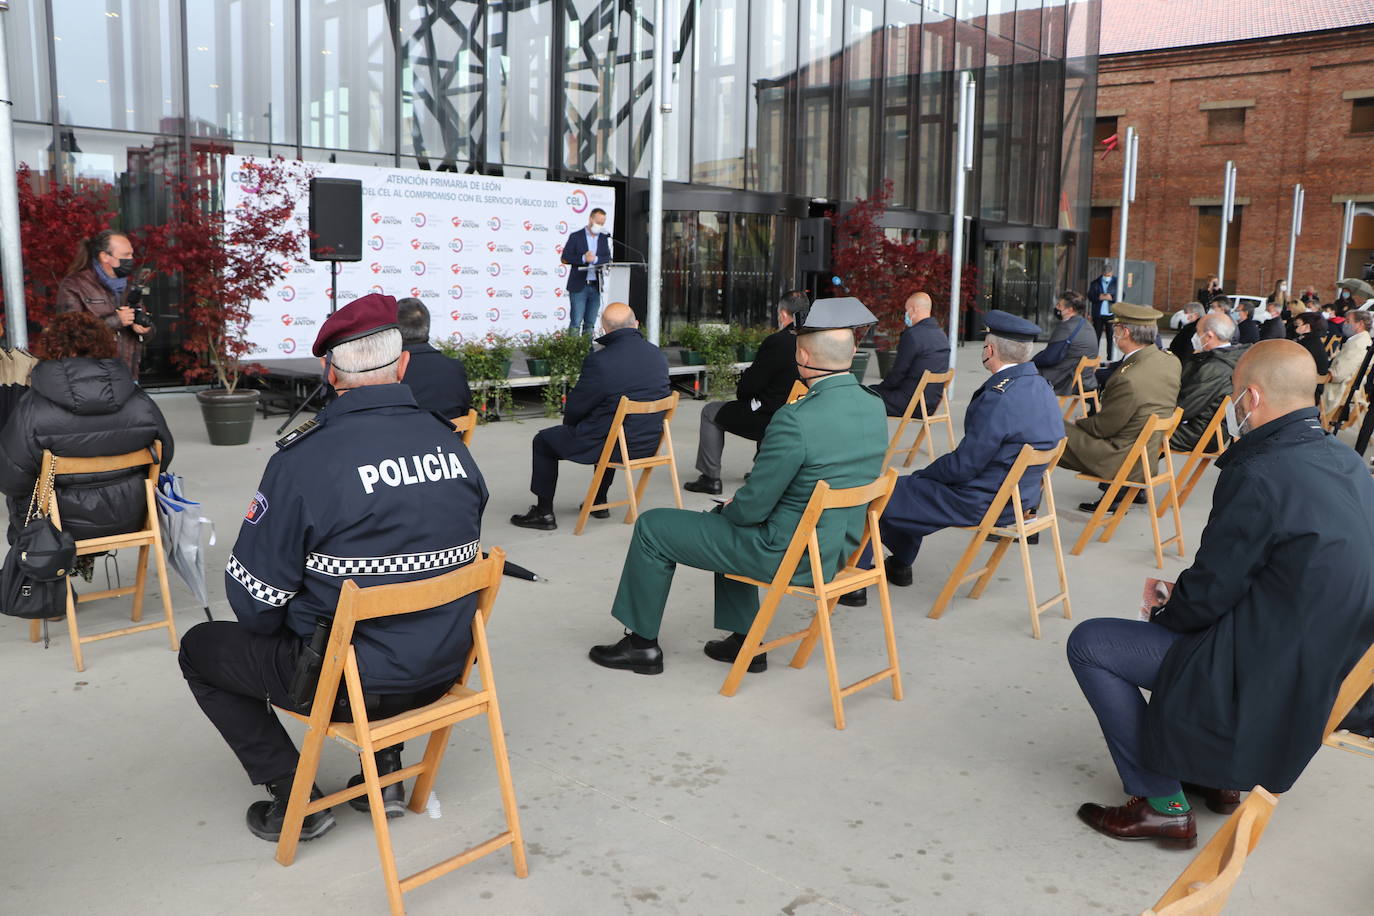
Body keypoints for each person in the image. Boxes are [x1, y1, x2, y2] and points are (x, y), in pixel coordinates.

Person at [179, 293, 488, 843]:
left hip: (348, 685)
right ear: (403, 364)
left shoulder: (302, 463)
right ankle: (387, 774)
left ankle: (295, 793)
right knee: (399, 604)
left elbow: (253, 604)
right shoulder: (452, 445)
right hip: (445, 670)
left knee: (201, 648)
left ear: (330, 372)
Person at [1068, 340, 1374, 849]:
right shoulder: (1348, 464)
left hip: (1268, 671)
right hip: (1331, 660)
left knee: (1092, 644)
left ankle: (1160, 804)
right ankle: (1218, 777)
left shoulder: (1259, 472)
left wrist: (1165, 610)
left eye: (1233, 395)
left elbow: (1209, 594)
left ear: (1250, 398)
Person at [587, 298, 887, 676]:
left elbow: (753, 508)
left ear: (804, 356)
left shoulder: (795, 419)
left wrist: (734, 506)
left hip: (787, 553)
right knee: (724, 519)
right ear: (852, 353)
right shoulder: (873, 405)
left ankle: (641, 644)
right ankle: (745, 640)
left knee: (653, 527)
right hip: (838, 548)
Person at [839, 310, 1064, 608]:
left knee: (879, 491)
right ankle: (901, 564)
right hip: (1020, 500)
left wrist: (926, 474)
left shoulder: (1000, 397)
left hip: (982, 500)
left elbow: (963, 466)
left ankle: (858, 582)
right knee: (909, 490)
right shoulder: (1041, 387)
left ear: (990, 349)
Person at [0, 312, 173, 543]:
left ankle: (35, 575)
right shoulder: (140, 401)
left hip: (58, 529)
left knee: (20, 499)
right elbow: (164, 457)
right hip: (132, 517)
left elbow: (11, 480)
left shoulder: (31, 407)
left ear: (52, 349)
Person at [510, 302, 669, 531]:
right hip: (649, 443)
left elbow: (577, 406)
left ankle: (543, 513)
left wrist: (572, 428)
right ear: (636, 324)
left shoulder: (601, 361)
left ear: (605, 329)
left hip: (614, 444)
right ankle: (599, 500)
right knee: (613, 427)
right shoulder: (657, 355)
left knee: (544, 441)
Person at [1059, 303, 1180, 512]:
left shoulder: (1130, 378)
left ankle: (1022, 509)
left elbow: (1103, 428)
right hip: (1145, 453)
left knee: (1043, 428)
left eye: (1115, 329)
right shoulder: (1169, 361)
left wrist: (1081, 422)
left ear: (1125, 332)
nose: (1113, 334)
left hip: (1120, 458)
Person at [683, 291, 804, 495]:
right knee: (770, 401)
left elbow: (749, 387)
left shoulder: (777, 342)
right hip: (798, 413)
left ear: (783, 314)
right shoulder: (814, 339)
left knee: (711, 411)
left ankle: (710, 477)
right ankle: (761, 471)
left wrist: (747, 381)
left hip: (769, 417)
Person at [55, 229, 154, 381]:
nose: (131, 259)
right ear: (105, 257)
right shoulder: (74, 285)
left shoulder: (129, 287)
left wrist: (144, 329)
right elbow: (68, 334)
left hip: (128, 376)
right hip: (90, 378)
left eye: (132, 254)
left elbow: (148, 332)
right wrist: (115, 320)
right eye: (125, 255)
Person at [1171, 313, 1245, 452]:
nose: (1195, 337)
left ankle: (1131, 473)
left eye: (1198, 333)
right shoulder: (1236, 357)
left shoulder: (1213, 367)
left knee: (1137, 433)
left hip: (1199, 433)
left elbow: (1182, 407)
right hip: (1214, 430)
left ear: (1209, 336)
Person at [872, 291, 950, 416]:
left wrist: (878, 389)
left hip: (909, 403)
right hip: (929, 404)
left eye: (906, 310)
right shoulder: (942, 336)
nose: (906, 315)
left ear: (913, 310)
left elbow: (897, 375)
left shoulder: (913, 336)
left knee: (864, 397)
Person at [395, 297, 471, 418]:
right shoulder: (455, 368)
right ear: (427, 326)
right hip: (448, 436)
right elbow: (464, 410)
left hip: (406, 435)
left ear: (395, 330)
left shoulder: (391, 373)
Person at [1033, 291, 1099, 396]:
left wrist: (1030, 361)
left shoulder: (1066, 327)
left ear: (1070, 310)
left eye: (1059, 305)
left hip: (1067, 380)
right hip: (1086, 379)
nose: (1056, 307)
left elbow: (1049, 358)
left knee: (1024, 375)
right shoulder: (1087, 324)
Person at [560, 207, 611, 335]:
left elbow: (607, 258)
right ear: (590, 219)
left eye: (602, 223)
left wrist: (596, 259)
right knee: (576, 322)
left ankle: (588, 350)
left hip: (596, 285)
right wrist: (583, 258)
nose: (600, 225)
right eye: (598, 222)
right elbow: (565, 257)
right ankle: (573, 352)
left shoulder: (604, 238)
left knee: (590, 323)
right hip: (579, 286)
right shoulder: (576, 236)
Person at [1323, 308, 1372, 416]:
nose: (1344, 324)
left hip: (1339, 387)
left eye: (1348, 321)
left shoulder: (1358, 343)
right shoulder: (1363, 340)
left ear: (1360, 324)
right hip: (1345, 384)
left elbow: (1338, 374)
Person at [1292, 313, 1331, 401]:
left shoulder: (1307, 344)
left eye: (1297, 324)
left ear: (1307, 326)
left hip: (1308, 391)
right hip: (1313, 386)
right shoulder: (1312, 340)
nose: (1294, 326)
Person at [1087, 267, 1119, 359]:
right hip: (1098, 314)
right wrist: (1098, 297)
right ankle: (1093, 357)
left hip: (1111, 314)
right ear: (1102, 273)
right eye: (1105, 275)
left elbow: (1122, 295)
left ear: (1112, 273)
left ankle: (1110, 357)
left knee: (1111, 337)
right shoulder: (1095, 282)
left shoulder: (1117, 282)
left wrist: (1112, 298)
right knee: (1096, 337)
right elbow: (1090, 296)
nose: (1106, 276)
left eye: (1108, 275)